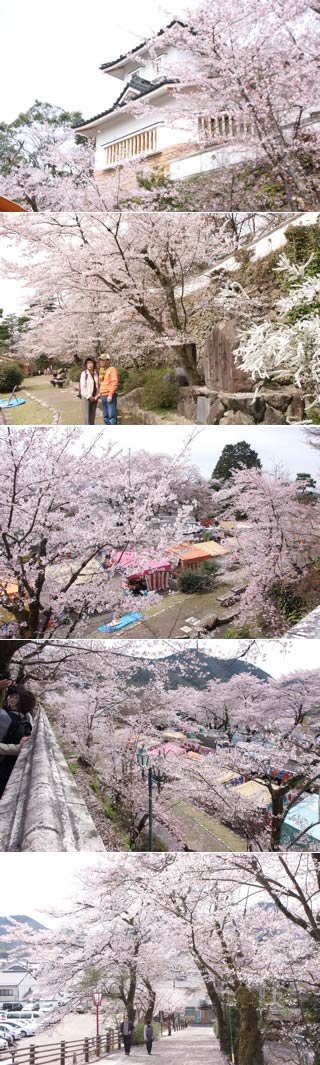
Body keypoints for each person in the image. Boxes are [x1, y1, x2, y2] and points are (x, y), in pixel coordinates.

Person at [0, 686, 35, 799]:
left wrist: (16, 749)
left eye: (13, 697)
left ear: (15, 702)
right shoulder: (28, 720)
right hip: (10, 769)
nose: (10, 699)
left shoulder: (4, 717)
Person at [78, 357, 100, 425]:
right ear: (86, 365)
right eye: (88, 363)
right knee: (86, 417)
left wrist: (97, 396)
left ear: (94, 364)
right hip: (86, 397)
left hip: (95, 397)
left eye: (91, 363)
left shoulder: (97, 373)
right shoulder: (84, 374)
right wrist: (89, 397)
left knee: (92, 416)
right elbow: (83, 387)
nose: (90, 365)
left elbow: (99, 386)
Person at [99, 353, 118, 425]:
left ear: (108, 361)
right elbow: (100, 384)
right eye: (100, 360)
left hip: (110, 395)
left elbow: (114, 383)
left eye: (103, 360)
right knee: (105, 416)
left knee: (112, 417)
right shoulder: (102, 370)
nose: (101, 361)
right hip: (103, 395)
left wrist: (110, 394)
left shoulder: (112, 369)